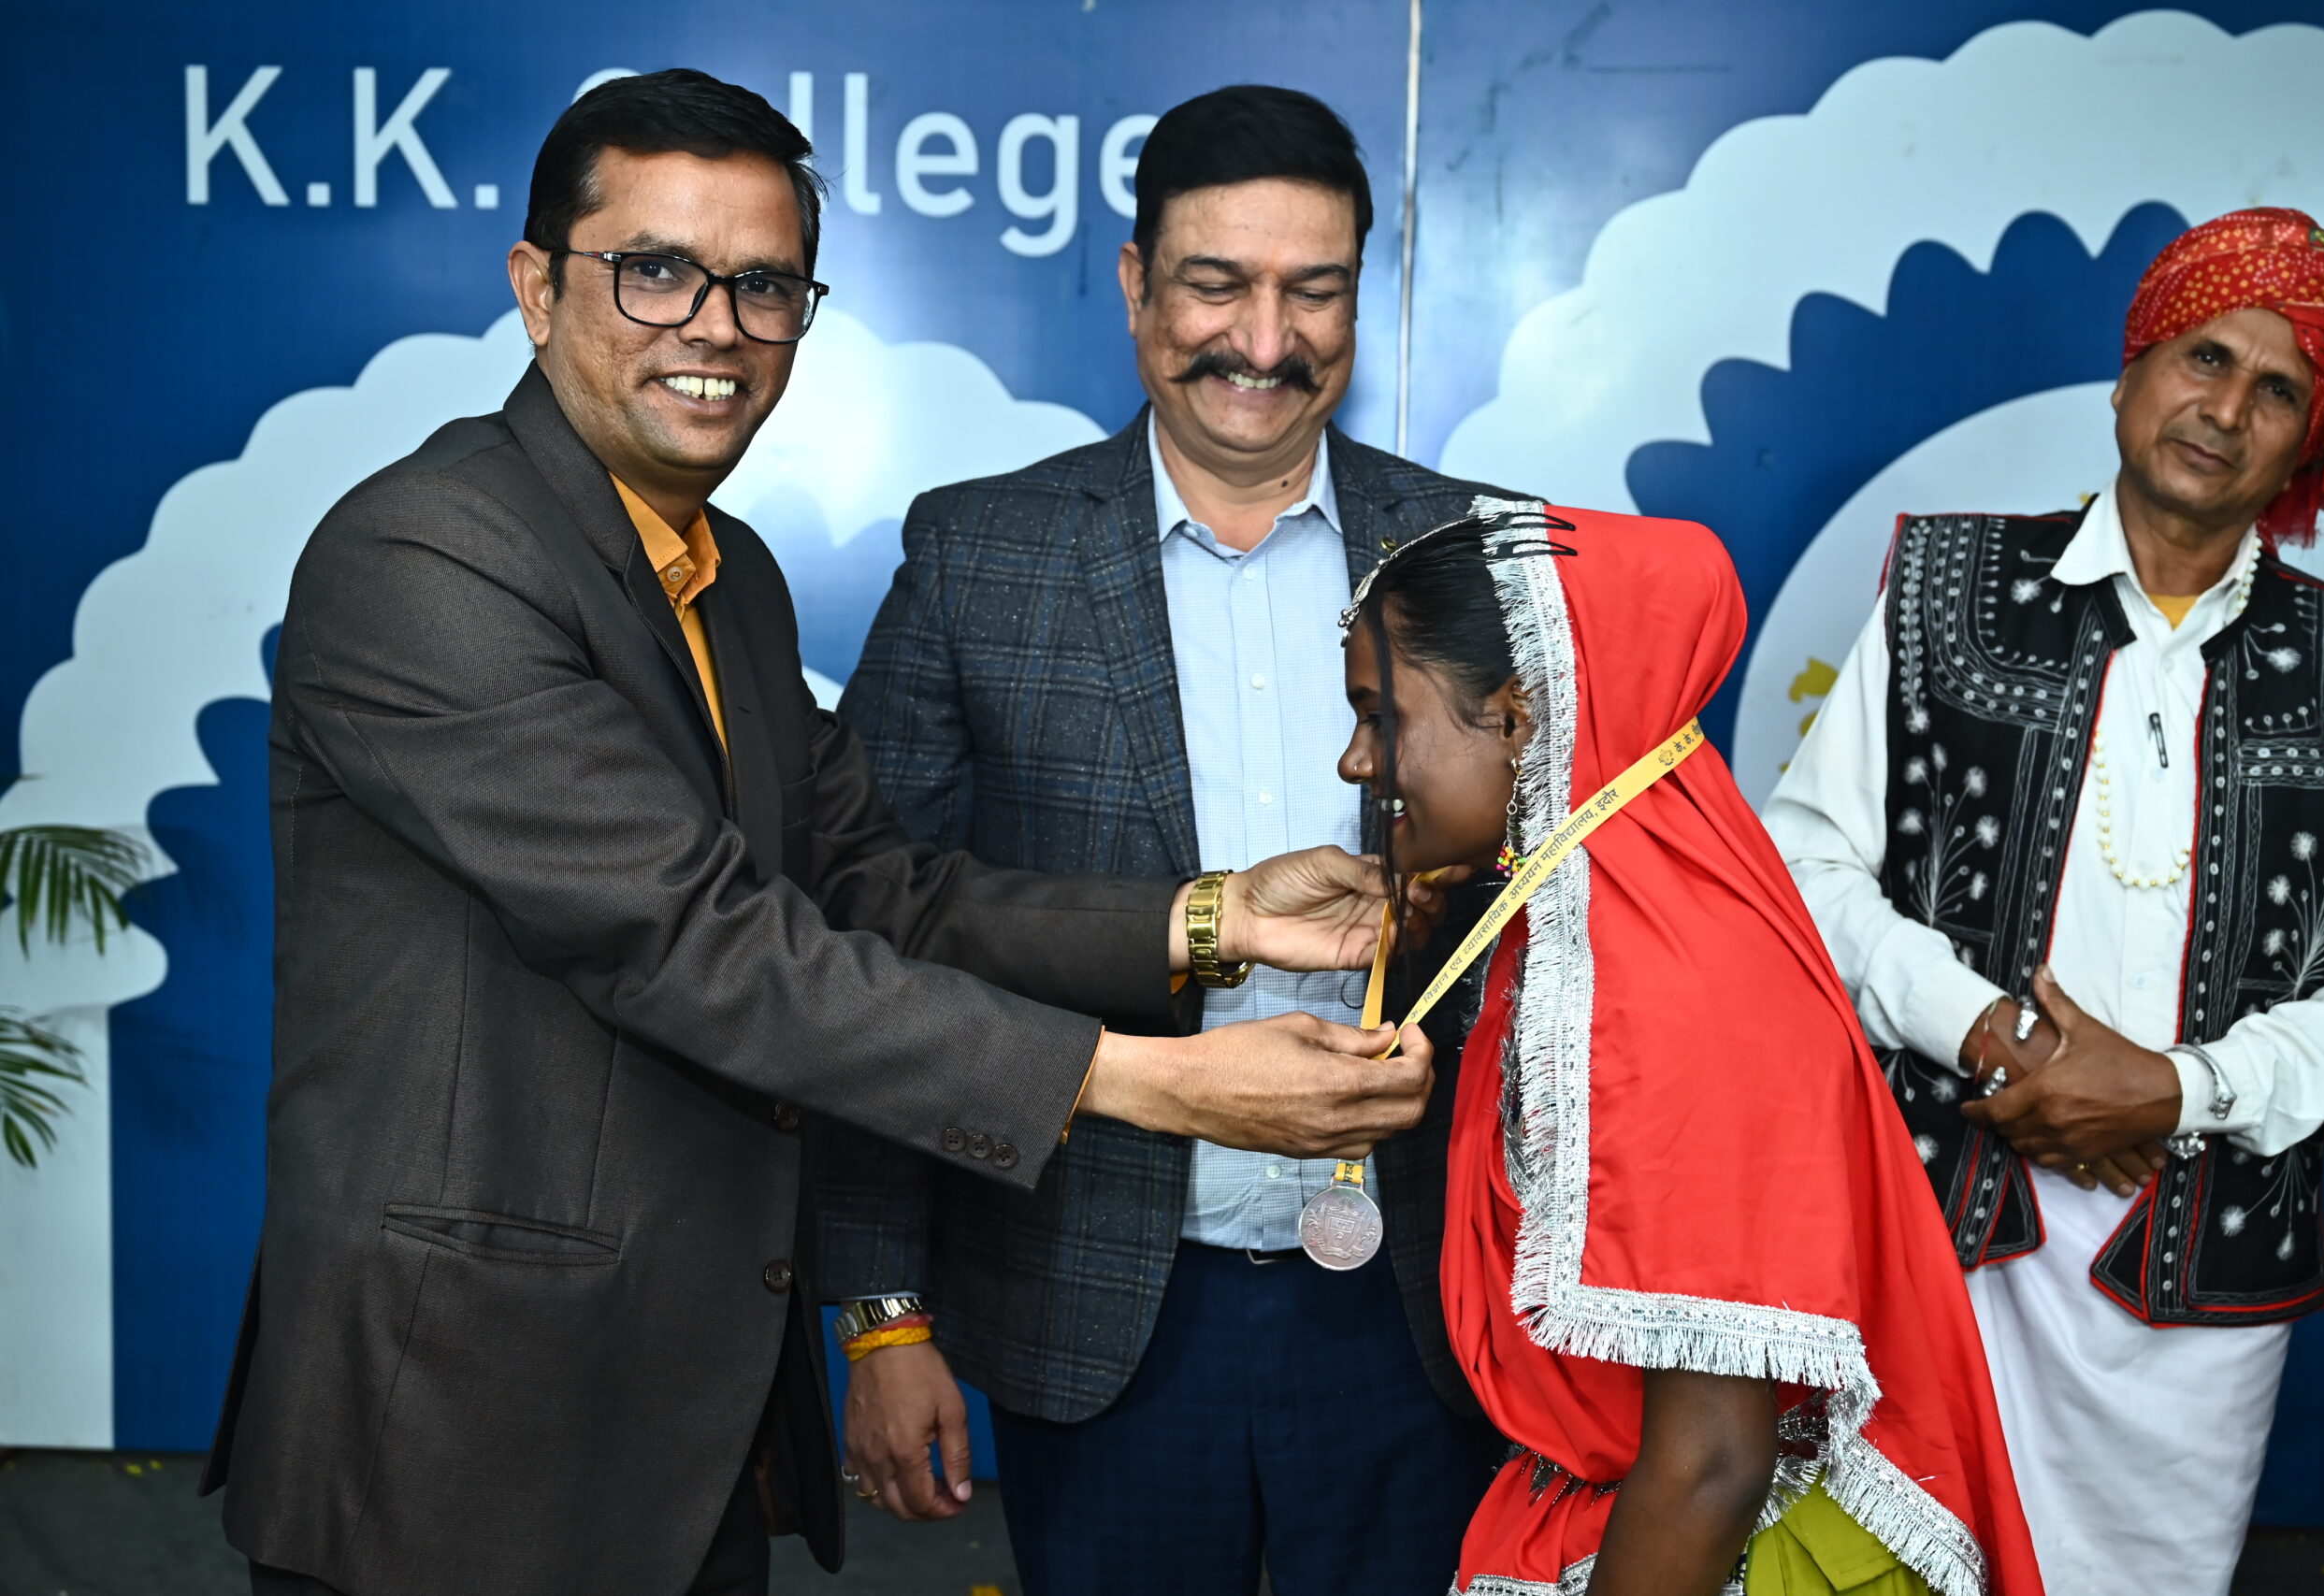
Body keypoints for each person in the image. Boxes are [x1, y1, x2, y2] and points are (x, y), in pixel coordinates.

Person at [198, 70, 1446, 1596]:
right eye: (655, 271)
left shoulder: (729, 575)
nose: (715, 325)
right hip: (458, 1428)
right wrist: (1153, 1082)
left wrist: (1212, 917)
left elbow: (875, 885)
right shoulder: (425, 554)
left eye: (764, 285)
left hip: (682, 1413)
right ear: (535, 286)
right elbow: (699, 941)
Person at [810, 84, 1516, 1596]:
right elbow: (872, 932)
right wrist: (881, 1313)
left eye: (1312, 290)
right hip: (1099, 1311)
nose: (1264, 339)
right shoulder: (980, 555)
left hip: (1423, 1316)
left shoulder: (1483, 554)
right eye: (1217, 284)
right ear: (1136, 284)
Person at [1762, 207, 2324, 1594]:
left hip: (2205, 1279)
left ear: (2308, 443)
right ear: (2129, 373)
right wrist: (1992, 1032)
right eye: (2203, 356)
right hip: (1936, 1218)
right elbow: (1803, 865)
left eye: (2278, 390)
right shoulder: (1944, 586)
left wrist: (2173, 1089)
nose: (2224, 409)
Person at [1338, 504, 2043, 1596]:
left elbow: (1712, 1462)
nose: (1354, 762)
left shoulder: (1670, 988)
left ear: (1518, 718)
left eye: (1380, 718)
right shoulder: (1581, 926)